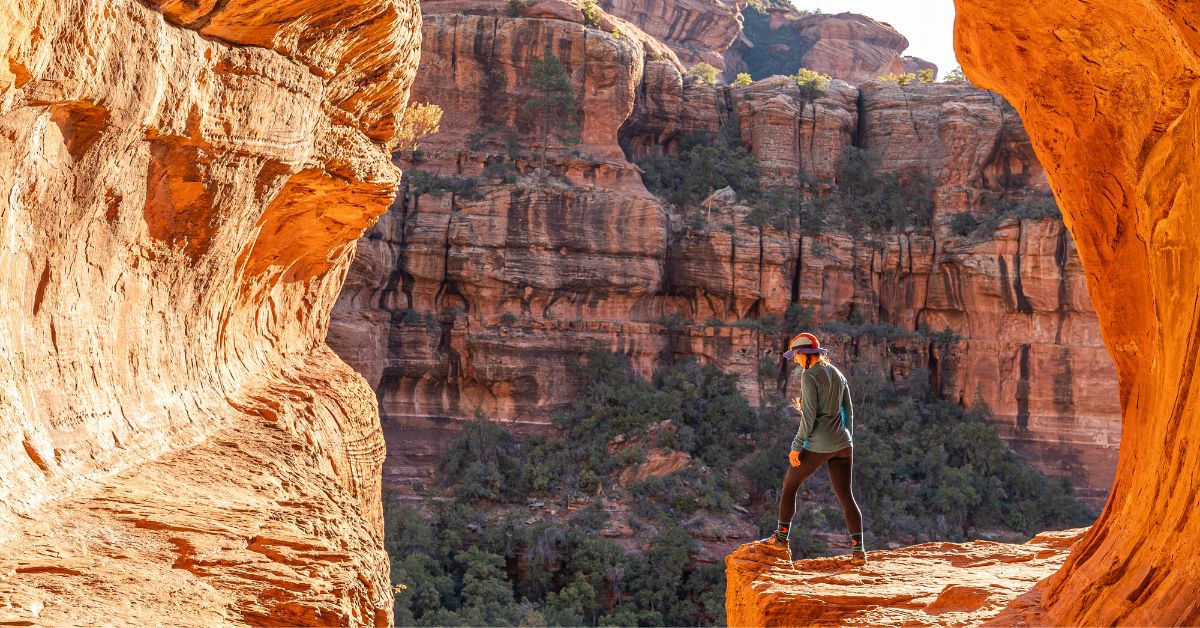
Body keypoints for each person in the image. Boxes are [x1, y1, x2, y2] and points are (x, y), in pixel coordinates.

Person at [760, 332, 866, 565]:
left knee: (790, 485)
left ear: (806, 355)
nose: (795, 360)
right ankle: (859, 552)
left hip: (820, 444)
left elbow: (808, 418)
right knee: (846, 496)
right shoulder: (838, 375)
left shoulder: (810, 376)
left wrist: (796, 447)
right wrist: (848, 438)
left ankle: (780, 538)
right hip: (843, 444)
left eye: (796, 355)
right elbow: (849, 411)